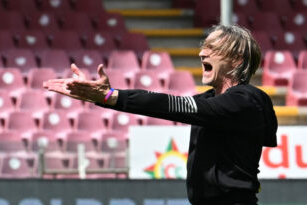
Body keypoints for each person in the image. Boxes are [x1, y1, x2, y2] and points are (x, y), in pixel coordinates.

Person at [44, 24, 278, 205]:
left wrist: (111, 96)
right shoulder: (209, 100)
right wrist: (101, 97)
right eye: (203, 46)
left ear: (236, 59)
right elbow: (156, 105)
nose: (201, 53)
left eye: (213, 49)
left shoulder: (246, 100)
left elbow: (170, 104)